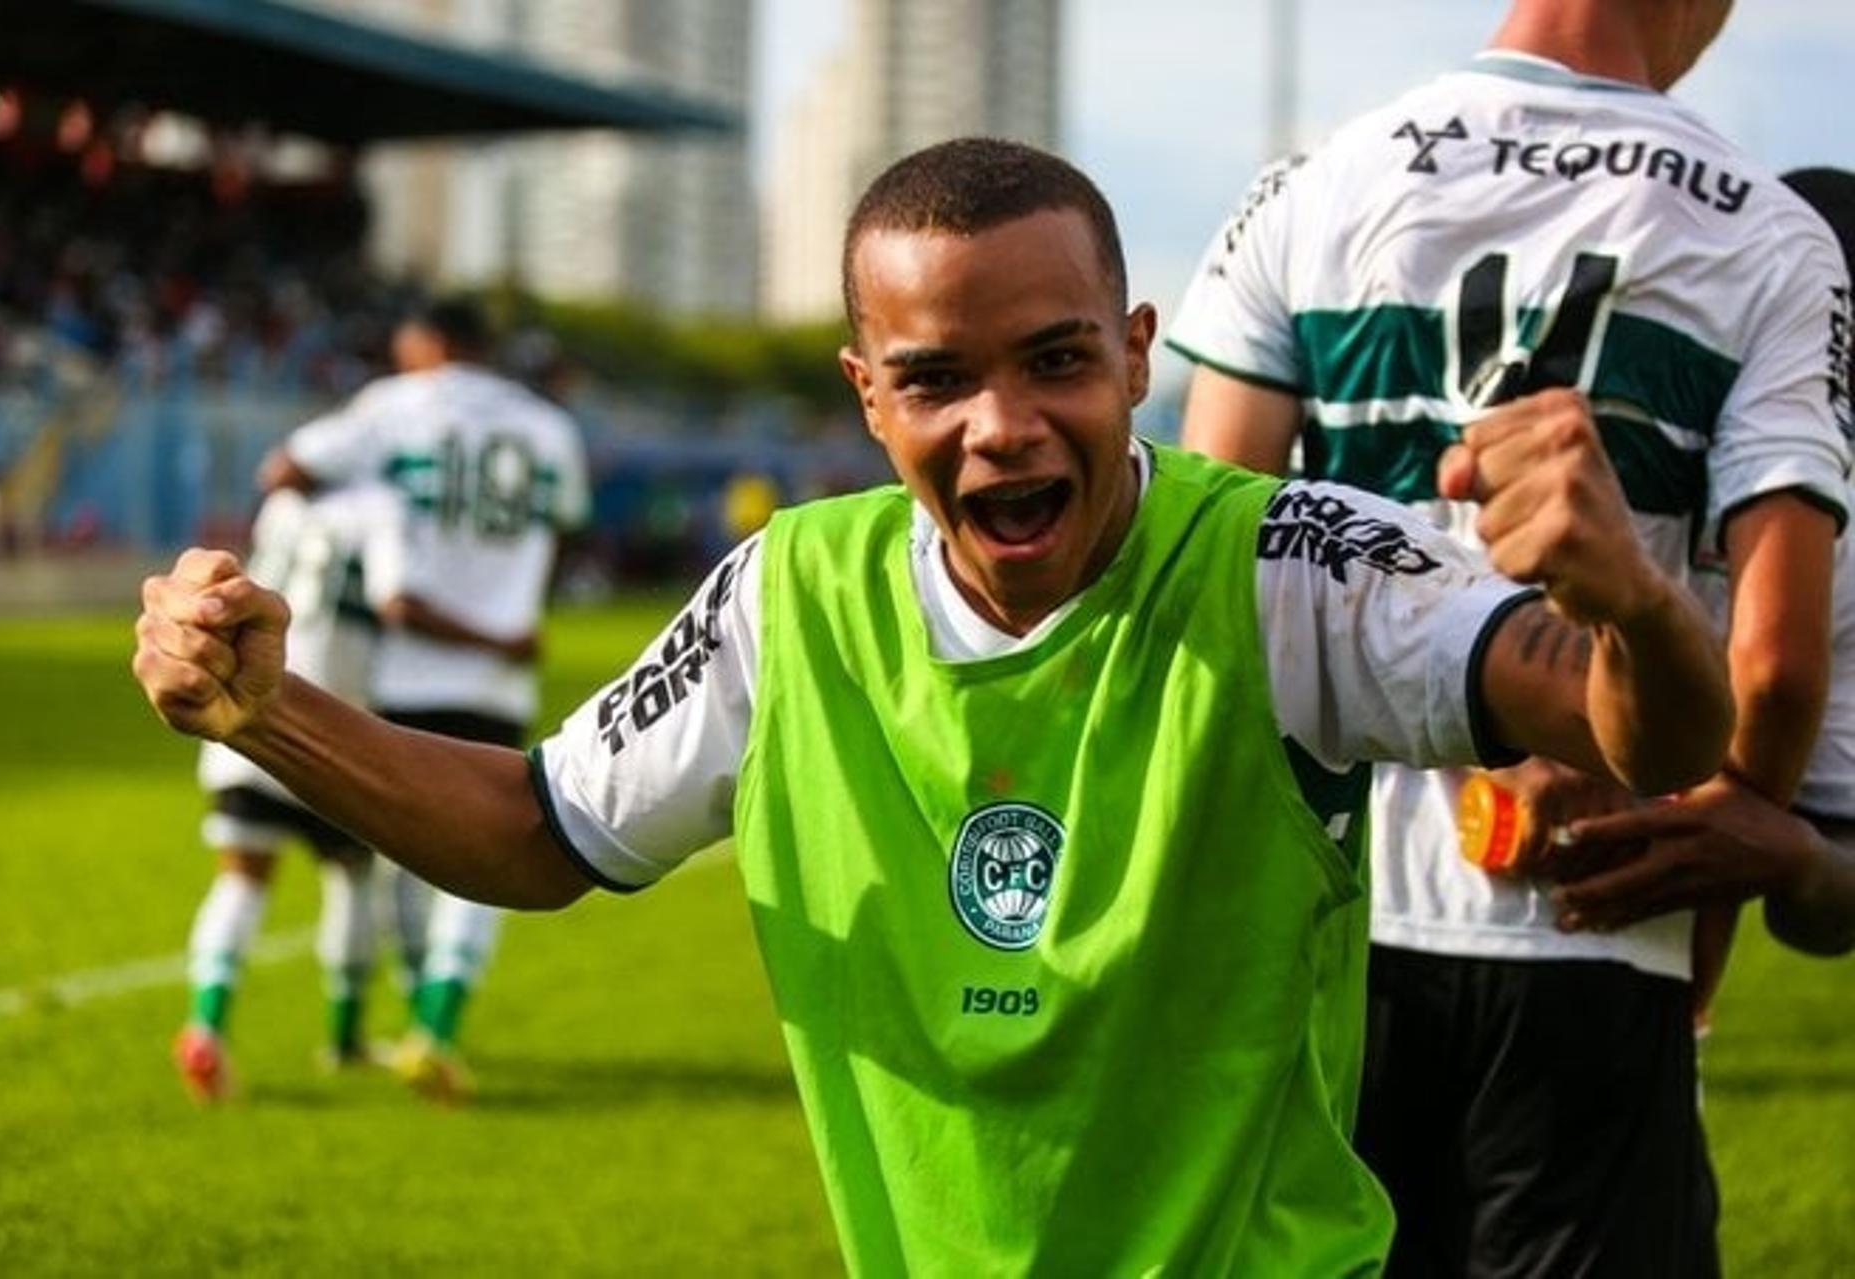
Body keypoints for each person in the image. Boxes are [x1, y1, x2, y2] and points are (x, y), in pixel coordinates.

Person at [131, 138, 1732, 1274]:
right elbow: (542, 825)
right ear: (865, 389)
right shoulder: (788, 594)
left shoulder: (1284, 567)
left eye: (1056, 361)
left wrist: (1635, 604)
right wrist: (272, 711)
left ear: (1136, 353)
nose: (1004, 428)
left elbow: (1640, 730)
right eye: (938, 379)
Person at [1168, 1, 1852, 1272]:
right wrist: (1720, 831)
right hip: (1592, 928)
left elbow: (1212, 583)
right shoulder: (1771, 234)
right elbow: (1777, 664)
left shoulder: (1311, 188)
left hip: (1328, 919)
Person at [259, 296, 590, 1101]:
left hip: (403, 669)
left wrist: (342, 532)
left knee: (403, 849)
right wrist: (515, 601)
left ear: (433, 342)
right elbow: (568, 526)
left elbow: (284, 469)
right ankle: (436, 1025)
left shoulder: (394, 406)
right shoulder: (549, 428)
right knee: (499, 852)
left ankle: (392, 1010)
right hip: (499, 669)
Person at [1552, 166, 1855, 960]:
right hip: (1413, 944)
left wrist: (1791, 855)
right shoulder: (1567, 456)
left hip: (1643, 1008)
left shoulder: (1839, 566)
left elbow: (1828, 911)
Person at [174, 484, 403, 1101]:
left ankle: (205, 1025)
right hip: (327, 723)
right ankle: (346, 1036)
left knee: (242, 878)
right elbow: (395, 600)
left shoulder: (284, 508)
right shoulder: (382, 508)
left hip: (245, 710)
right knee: (352, 873)